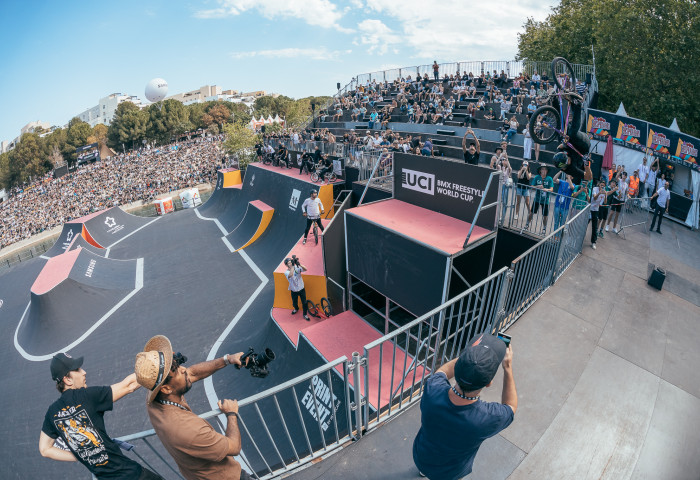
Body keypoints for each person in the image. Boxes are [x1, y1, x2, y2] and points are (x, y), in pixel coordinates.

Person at [134, 336, 252, 480]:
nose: (184, 370)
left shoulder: (155, 398)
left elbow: (192, 373)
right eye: (177, 371)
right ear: (165, 388)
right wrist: (231, 413)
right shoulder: (189, 430)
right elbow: (234, 447)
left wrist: (227, 359)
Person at [40, 353, 160, 479]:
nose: (84, 372)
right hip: (133, 475)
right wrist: (158, 365)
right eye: (77, 369)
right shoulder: (87, 396)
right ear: (67, 380)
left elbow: (45, 449)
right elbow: (129, 386)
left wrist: (79, 455)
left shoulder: (52, 412)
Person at [412, 334, 516, 480]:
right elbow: (510, 405)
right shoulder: (487, 418)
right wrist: (508, 368)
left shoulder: (433, 389)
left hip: (421, 457)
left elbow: (443, 371)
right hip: (451, 472)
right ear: (488, 383)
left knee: (426, 468)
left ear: (458, 367)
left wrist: (469, 357)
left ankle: (424, 472)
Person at [526, 165, 553, 233]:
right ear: (540, 170)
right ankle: (527, 224)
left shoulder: (549, 178)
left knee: (545, 215)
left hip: (545, 200)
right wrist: (537, 186)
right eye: (542, 169)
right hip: (537, 199)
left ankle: (544, 228)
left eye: (545, 169)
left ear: (547, 171)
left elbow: (552, 189)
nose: (544, 171)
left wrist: (547, 189)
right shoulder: (537, 177)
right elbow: (532, 186)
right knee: (531, 213)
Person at [590, 180, 607, 249]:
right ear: (598, 185)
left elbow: (605, 202)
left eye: (603, 185)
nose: (602, 187)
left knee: (594, 226)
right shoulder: (595, 189)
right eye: (601, 185)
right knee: (585, 223)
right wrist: (599, 193)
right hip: (589, 208)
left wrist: (605, 195)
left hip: (596, 210)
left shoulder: (604, 192)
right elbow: (594, 198)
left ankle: (593, 242)